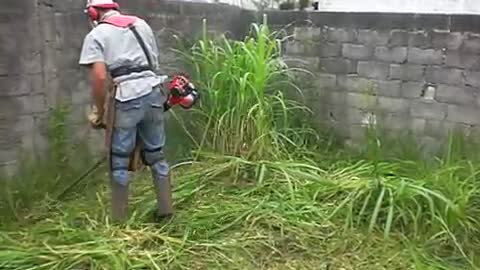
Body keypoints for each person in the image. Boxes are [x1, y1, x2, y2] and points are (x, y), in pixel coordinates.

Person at [78, 0, 173, 222]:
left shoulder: (97, 35)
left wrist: (101, 112)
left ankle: (119, 221)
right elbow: (153, 62)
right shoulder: (142, 24)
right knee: (156, 156)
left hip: (126, 96)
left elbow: (100, 77)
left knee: (119, 160)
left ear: (94, 12)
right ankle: (166, 211)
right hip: (154, 91)